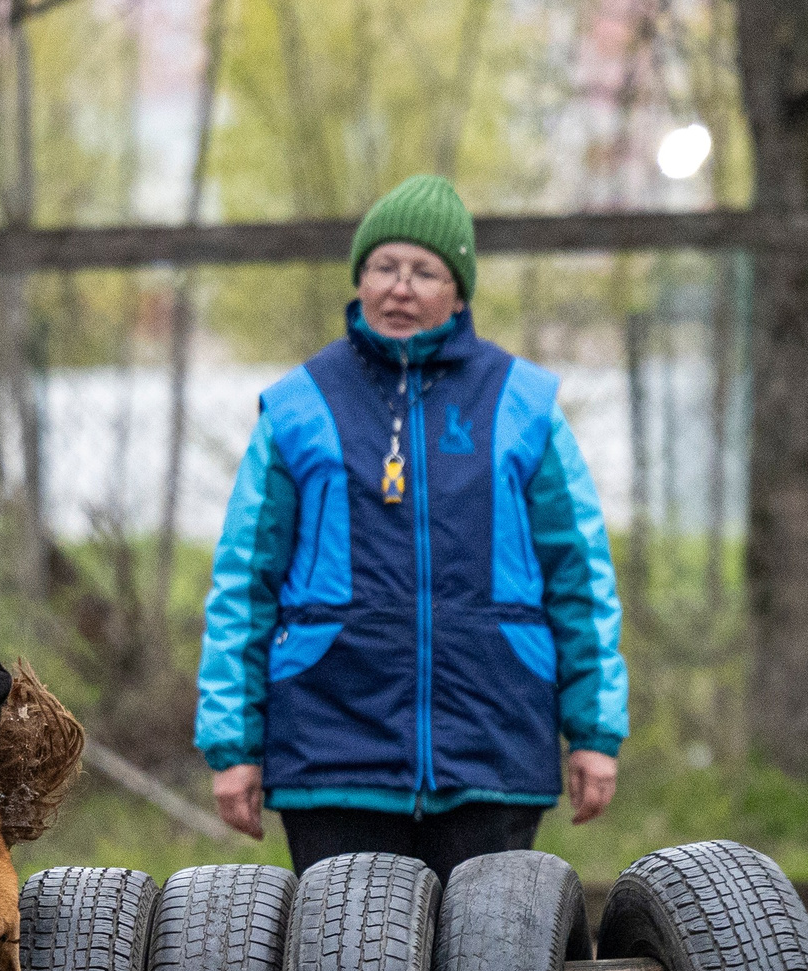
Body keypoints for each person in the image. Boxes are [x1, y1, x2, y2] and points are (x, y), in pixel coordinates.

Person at [195, 174, 627, 882]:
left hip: (493, 746)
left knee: (486, 969)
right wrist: (233, 746)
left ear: (459, 292)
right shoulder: (301, 405)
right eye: (384, 267)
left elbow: (580, 577)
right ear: (359, 279)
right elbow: (244, 584)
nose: (401, 288)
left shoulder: (524, 405)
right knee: (348, 970)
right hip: (332, 750)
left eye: (425, 271)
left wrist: (594, 732)